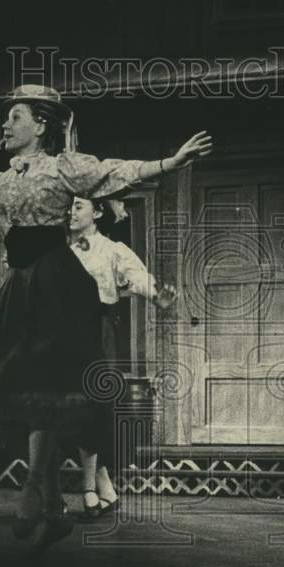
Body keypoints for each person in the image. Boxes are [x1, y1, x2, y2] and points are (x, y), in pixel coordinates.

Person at [0, 84, 211, 553]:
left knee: (46, 390)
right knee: (23, 390)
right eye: (6, 118)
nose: (7, 125)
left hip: (58, 284)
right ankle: (51, 504)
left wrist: (170, 163)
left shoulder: (63, 168)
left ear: (41, 125)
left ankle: (35, 494)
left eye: (16, 117)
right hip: (21, 287)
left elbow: (115, 172)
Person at [68, 196, 177, 520]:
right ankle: (105, 488)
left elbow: (137, 276)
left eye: (78, 206)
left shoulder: (111, 249)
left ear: (97, 212)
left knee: (91, 406)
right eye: (68, 206)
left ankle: (89, 488)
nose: (70, 212)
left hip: (96, 331)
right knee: (64, 408)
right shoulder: (58, 250)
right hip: (59, 332)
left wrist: (158, 294)